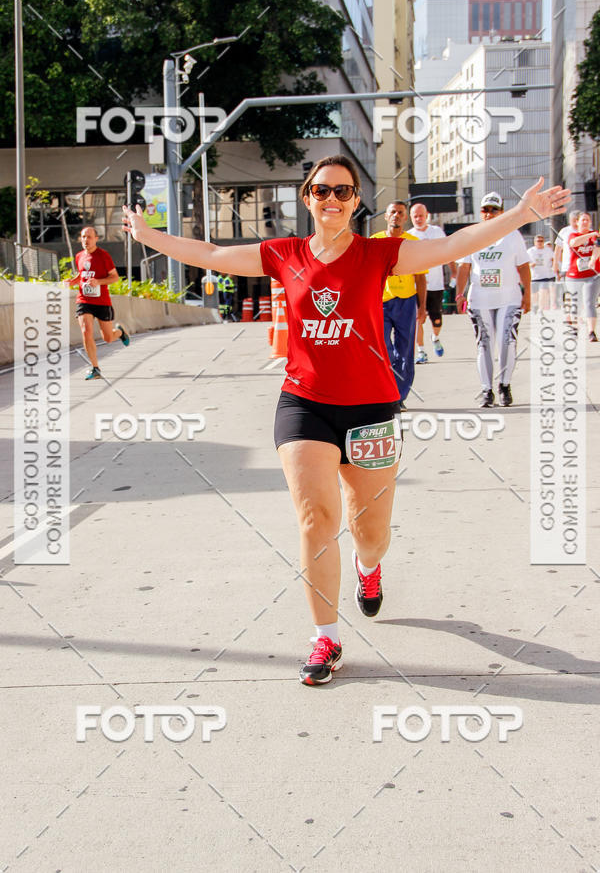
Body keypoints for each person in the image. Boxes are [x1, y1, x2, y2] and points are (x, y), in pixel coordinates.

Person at [122, 156, 569, 685]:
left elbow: (453, 246)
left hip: (372, 408)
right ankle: (325, 638)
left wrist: (519, 215)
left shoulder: (380, 254)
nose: (331, 199)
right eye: (321, 190)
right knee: (316, 520)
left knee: (370, 531)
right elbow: (213, 253)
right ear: (307, 198)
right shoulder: (283, 254)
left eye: (343, 191)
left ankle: (369, 568)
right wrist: (150, 234)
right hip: (304, 404)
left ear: (356, 201)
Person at [455, 192, 532, 408]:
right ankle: (486, 390)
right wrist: (460, 293)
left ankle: (504, 385)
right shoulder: (472, 235)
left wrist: (528, 295)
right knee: (484, 345)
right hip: (480, 299)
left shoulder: (512, 235)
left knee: (507, 342)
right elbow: (464, 267)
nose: (489, 214)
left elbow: (524, 266)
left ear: (501, 212)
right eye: (485, 210)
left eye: (493, 210)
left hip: (509, 298)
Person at [371, 202, 426, 407]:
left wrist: (422, 307)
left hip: (407, 301)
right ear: (386, 216)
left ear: (405, 218)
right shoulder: (374, 241)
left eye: (400, 213)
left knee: (406, 350)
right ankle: (386, 392)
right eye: (392, 212)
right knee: (384, 348)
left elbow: (421, 277)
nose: (396, 216)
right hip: (381, 302)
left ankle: (399, 397)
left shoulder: (413, 242)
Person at [65, 227, 130, 380]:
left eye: (89, 237)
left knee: (108, 338)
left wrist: (99, 282)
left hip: (102, 302)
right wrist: (72, 281)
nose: (85, 240)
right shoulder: (79, 256)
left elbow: (114, 277)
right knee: (86, 330)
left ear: (96, 238)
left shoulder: (103, 256)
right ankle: (95, 368)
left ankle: (120, 332)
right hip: (84, 300)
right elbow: (81, 276)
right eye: (83, 237)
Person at [408, 203, 457, 362]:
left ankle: (435, 338)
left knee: (436, 319)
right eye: (415, 216)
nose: (418, 219)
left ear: (426, 215)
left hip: (435, 285)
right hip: (415, 286)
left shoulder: (436, 232)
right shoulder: (408, 235)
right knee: (417, 319)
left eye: (421, 215)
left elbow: (448, 252)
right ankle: (421, 351)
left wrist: (454, 273)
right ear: (411, 217)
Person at [565, 211, 600, 341]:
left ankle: (591, 332)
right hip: (574, 276)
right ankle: (574, 329)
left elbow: (598, 248)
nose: (585, 222)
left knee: (589, 302)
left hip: (593, 275)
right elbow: (574, 243)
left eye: (587, 220)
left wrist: (593, 260)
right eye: (583, 220)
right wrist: (591, 233)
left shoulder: (595, 238)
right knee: (576, 303)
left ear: (590, 222)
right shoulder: (573, 235)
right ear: (577, 222)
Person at [553, 210, 581, 311]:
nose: (575, 222)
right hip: (567, 266)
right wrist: (555, 264)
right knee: (569, 290)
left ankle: (578, 312)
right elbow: (558, 249)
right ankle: (570, 311)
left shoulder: (587, 230)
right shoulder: (564, 231)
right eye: (572, 220)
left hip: (583, 267)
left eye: (576, 220)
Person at [527, 233, 555, 312]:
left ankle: (541, 308)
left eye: (541, 241)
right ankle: (535, 305)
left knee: (543, 291)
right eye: (538, 241)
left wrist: (552, 266)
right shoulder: (530, 251)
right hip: (534, 276)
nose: (540, 242)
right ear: (534, 242)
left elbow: (553, 258)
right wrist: (530, 265)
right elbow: (525, 263)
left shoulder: (547, 250)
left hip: (545, 275)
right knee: (534, 294)